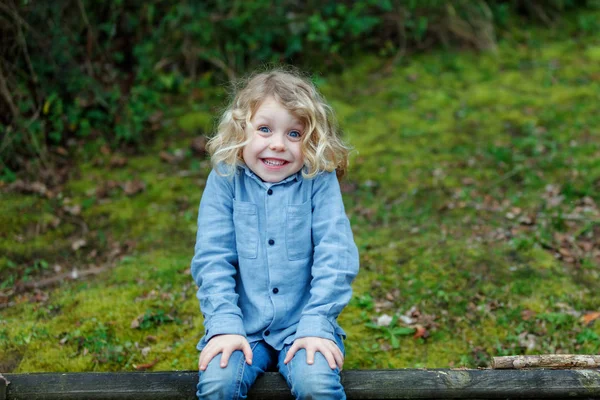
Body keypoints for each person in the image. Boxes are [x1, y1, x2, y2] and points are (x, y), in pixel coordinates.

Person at [190, 67, 359, 399]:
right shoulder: (226, 178)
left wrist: (317, 324)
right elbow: (213, 258)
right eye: (264, 129)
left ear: (310, 140)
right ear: (241, 131)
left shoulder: (317, 181)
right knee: (218, 384)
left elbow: (335, 255)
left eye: (294, 134)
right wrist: (224, 325)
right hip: (243, 327)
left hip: (303, 327)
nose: (278, 145)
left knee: (317, 384)